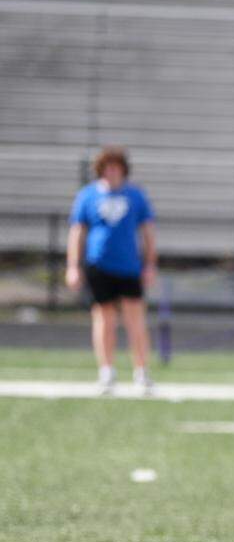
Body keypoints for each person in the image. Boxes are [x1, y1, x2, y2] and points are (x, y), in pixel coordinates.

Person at [65, 146, 157, 395]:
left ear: (123, 170)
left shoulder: (136, 196)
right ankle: (106, 371)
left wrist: (150, 264)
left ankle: (141, 371)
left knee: (135, 319)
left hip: (129, 265)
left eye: (116, 166)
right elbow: (78, 232)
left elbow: (147, 232)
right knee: (104, 318)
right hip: (99, 265)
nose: (112, 171)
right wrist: (73, 266)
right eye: (107, 166)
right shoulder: (88, 196)